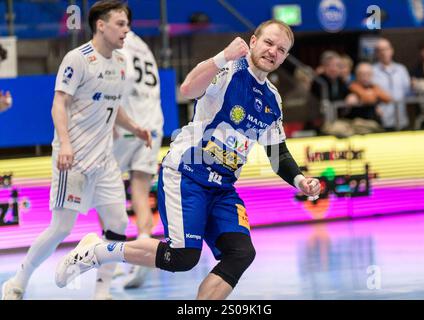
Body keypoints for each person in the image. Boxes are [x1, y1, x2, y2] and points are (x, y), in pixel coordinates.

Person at [54, 20, 320, 300]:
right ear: (253, 41)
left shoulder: (272, 100)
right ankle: (97, 251)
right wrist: (222, 57)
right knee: (182, 257)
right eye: (268, 43)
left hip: (222, 188)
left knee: (241, 253)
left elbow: (277, 152)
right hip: (187, 173)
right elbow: (188, 89)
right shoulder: (229, 69)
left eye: (281, 49)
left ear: (285, 57)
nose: (272, 52)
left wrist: (301, 180)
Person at [1, 0, 151, 300]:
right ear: (101, 25)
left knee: (119, 223)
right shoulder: (77, 58)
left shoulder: (120, 63)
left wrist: (134, 127)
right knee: (61, 228)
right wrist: (66, 144)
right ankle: (18, 281)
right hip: (74, 159)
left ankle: (102, 291)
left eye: (127, 24)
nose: (126, 30)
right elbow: (60, 103)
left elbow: (113, 104)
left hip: (105, 159)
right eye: (120, 24)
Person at [112, 29, 164, 289]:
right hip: (153, 124)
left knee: (106, 192)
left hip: (128, 125)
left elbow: (122, 79)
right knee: (141, 194)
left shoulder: (118, 42)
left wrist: (111, 117)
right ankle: (143, 252)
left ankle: (112, 257)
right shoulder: (144, 46)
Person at [372, 38, 411, 131]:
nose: (384, 52)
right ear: (376, 53)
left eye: (386, 49)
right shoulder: (372, 71)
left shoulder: (401, 69)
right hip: (382, 119)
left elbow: (408, 91)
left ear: (391, 50)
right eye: (380, 50)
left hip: (401, 118)